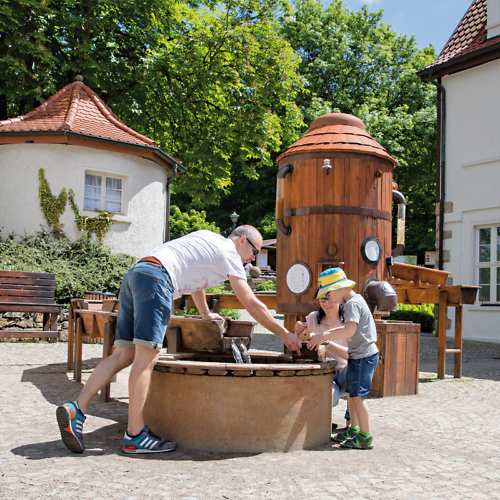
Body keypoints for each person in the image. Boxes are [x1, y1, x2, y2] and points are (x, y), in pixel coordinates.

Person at [57, 226, 302, 455]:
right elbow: (251, 303)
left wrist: (205, 313)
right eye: (254, 251)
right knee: (146, 360)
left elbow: (195, 281)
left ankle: (77, 409)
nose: (253, 258)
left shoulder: (207, 238)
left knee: (124, 354)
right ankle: (135, 435)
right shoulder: (230, 255)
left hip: (136, 273)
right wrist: (285, 335)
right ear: (241, 241)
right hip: (156, 279)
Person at [307, 268, 379, 450]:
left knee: (358, 397)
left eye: (329, 295)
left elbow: (349, 331)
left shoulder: (352, 304)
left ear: (338, 288)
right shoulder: (354, 301)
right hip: (358, 356)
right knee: (351, 394)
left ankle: (365, 436)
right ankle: (354, 430)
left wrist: (324, 337)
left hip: (363, 356)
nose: (329, 300)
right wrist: (324, 334)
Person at [295, 300, 350, 430]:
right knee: (331, 396)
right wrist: (297, 333)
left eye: (330, 299)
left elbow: (352, 355)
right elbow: (298, 348)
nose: (326, 303)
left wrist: (326, 341)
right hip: (320, 374)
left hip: (342, 372)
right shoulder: (312, 318)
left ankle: (351, 421)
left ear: (339, 298)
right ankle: (322, 421)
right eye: (322, 299)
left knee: (355, 369)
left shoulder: (349, 321)